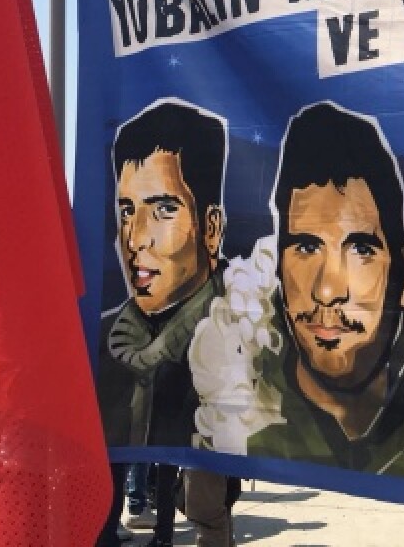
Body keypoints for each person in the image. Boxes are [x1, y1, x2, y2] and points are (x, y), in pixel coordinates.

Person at [191, 101, 404, 487]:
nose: (327, 290)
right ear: (279, 268)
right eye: (305, 247)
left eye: (361, 249)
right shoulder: (237, 414)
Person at [95, 98, 235, 547]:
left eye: (162, 210)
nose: (136, 238)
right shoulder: (105, 337)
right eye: (126, 211)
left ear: (210, 228)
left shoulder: (238, 333)